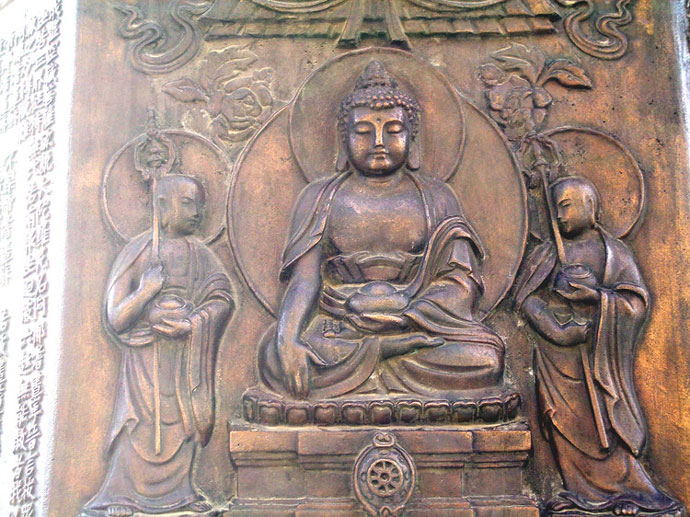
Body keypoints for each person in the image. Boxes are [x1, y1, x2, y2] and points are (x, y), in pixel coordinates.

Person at [259, 60, 505, 400]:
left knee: (486, 361)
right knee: (273, 358)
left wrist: (407, 314)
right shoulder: (320, 197)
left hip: (419, 327)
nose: (378, 141)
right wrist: (287, 340)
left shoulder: (437, 198)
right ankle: (380, 360)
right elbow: (304, 280)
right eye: (363, 132)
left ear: (412, 137)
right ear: (343, 139)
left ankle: (385, 359)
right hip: (340, 329)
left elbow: (461, 282)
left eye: (393, 130)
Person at [514, 176, 679, 516]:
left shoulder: (615, 253)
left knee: (606, 423)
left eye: (566, 207)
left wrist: (597, 299)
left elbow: (636, 303)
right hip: (558, 363)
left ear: (589, 206)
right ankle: (579, 492)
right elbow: (525, 299)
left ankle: (631, 492)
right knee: (563, 422)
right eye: (555, 209)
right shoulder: (547, 253)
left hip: (601, 357)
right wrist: (556, 328)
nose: (560, 216)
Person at [83, 174, 233, 516]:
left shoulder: (200, 255)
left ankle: (181, 493)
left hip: (184, 360)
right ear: (162, 206)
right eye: (188, 203)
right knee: (137, 424)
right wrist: (147, 292)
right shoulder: (138, 251)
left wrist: (193, 323)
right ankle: (121, 495)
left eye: (199, 205)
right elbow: (116, 317)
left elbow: (222, 298)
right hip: (144, 361)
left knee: (181, 422)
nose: (197, 212)